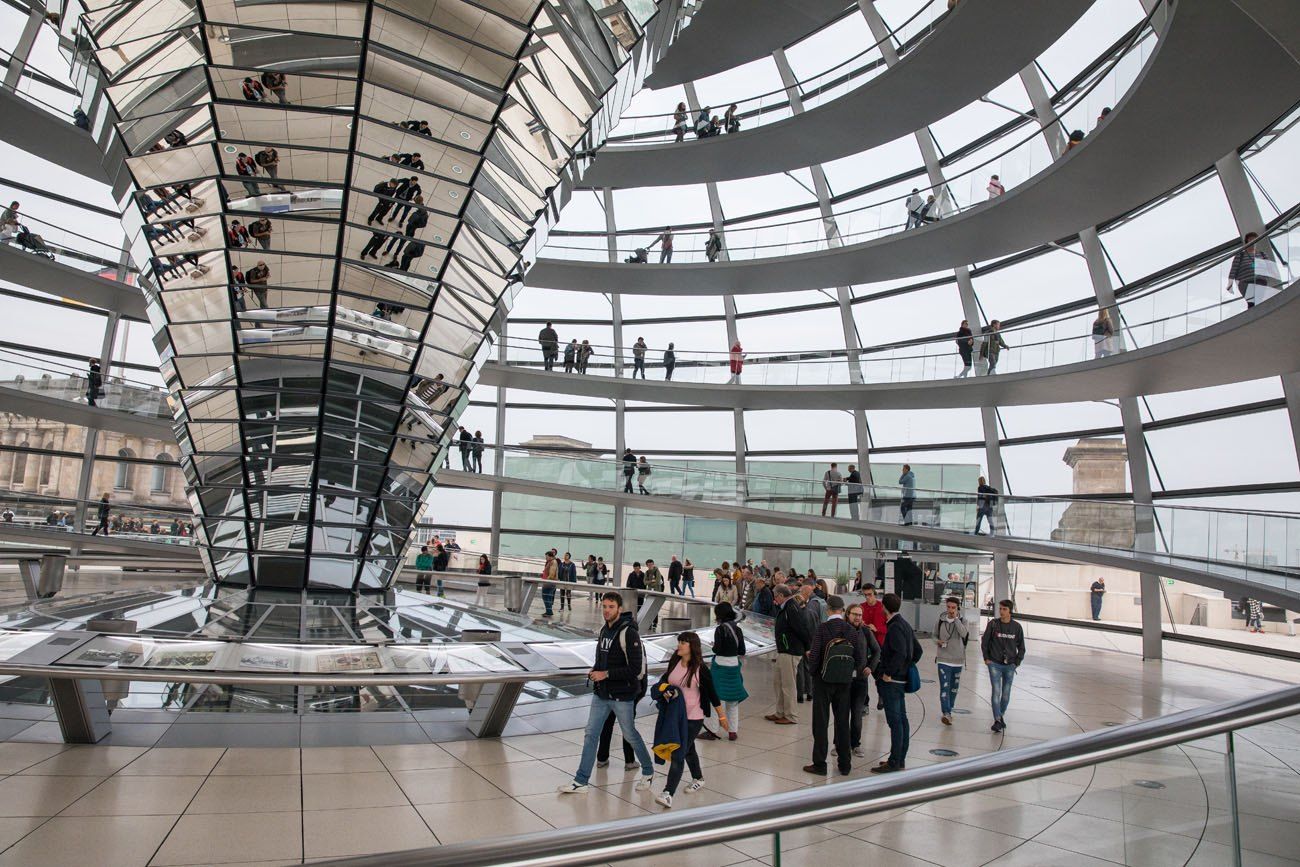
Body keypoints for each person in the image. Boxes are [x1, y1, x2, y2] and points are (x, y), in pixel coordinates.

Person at [559, 592, 656, 794]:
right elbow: (602, 658)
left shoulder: (629, 633)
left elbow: (635, 668)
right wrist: (596, 670)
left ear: (620, 609)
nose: (606, 610)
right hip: (602, 694)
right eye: (604, 606)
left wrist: (606, 674)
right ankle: (581, 781)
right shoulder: (605, 630)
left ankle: (648, 771)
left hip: (622, 695)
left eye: (611, 607)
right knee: (590, 734)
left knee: (630, 735)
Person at [653, 631, 728, 808]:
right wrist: (665, 690)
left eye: (684, 643)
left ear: (692, 646)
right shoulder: (675, 661)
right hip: (675, 716)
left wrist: (722, 716)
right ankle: (698, 778)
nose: (679, 645)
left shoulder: (700, 669)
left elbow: (712, 693)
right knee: (688, 749)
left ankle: (668, 793)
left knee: (678, 753)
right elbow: (665, 680)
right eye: (679, 641)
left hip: (693, 718)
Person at [802, 595, 868, 776]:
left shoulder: (822, 629)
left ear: (827, 609)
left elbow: (814, 655)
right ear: (843, 610)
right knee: (842, 723)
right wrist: (849, 672)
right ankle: (845, 765)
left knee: (820, 723)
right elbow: (860, 658)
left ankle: (820, 764)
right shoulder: (851, 630)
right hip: (845, 683)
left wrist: (813, 673)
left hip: (823, 682)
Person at [872, 592, 921, 773]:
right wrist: (907, 666)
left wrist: (889, 673)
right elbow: (918, 651)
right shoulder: (905, 625)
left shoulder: (894, 627)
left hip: (893, 681)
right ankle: (899, 759)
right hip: (900, 679)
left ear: (884, 607)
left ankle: (894, 761)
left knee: (895, 722)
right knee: (902, 719)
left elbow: (900, 653)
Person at [699, 603, 747, 743]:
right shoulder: (737, 629)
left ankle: (712, 730)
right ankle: (733, 731)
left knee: (715, 699)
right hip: (733, 665)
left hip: (720, 666)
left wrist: (714, 645)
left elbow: (717, 650)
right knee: (732, 700)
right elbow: (742, 650)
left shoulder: (720, 629)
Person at [982, 599, 1025, 733]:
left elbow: (1022, 647)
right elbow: (985, 642)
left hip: (1009, 665)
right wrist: (987, 659)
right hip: (994, 663)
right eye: (1000, 609)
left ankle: (1000, 715)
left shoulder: (1017, 627)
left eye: (1004, 609)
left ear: (1010, 611)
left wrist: (1016, 662)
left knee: (1005, 694)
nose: (1001, 611)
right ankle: (997, 719)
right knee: (996, 691)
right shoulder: (993, 624)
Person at [845, 603, 881, 757]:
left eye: (860, 615)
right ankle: (840, 742)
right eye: (855, 614)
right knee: (842, 713)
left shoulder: (865, 631)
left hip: (860, 679)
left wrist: (871, 667)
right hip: (843, 679)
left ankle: (856, 744)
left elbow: (877, 650)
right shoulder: (842, 629)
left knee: (857, 713)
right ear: (848, 614)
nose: (858, 617)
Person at [769, 585, 808, 725]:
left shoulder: (791, 608)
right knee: (778, 683)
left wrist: (807, 648)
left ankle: (791, 715)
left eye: (775, 596)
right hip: (783, 651)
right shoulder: (786, 607)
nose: (774, 599)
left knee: (788, 684)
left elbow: (802, 629)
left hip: (790, 651)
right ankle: (780, 712)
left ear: (780, 595)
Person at [934, 596, 969, 725]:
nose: (950, 610)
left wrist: (956, 620)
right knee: (944, 686)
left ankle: (949, 708)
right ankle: (946, 713)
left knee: (953, 689)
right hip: (943, 659)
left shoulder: (963, 620)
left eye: (953, 607)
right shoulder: (940, 620)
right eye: (948, 607)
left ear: (957, 608)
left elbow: (964, 634)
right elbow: (934, 635)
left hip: (958, 659)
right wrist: (937, 641)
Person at [1226, 232, 1274, 308]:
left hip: (1260, 280)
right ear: (1247, 241)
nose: (1253, 241)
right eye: (1251, 239)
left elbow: (1270, 268)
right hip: (1245, 282)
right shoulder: (1240, 255)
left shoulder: (1262, 254)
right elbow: (1234, 269)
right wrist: (1230, 284)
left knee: (1257, 301)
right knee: (1252, 302)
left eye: (1255, 239)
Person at [860, 586, 888, 710]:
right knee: (863, 676)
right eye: (865, 595)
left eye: (869, 594)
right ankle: (864, 703)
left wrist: (877, 629)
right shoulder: (861, 607)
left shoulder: (882, 608)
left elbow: (889, 626)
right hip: (864, 646)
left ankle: (881, 695)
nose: (867, 597)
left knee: (878, 674)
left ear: (875, 594)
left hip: (878, 646)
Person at [540, 550, 559, 616]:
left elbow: (552, 574)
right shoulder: (551, 561)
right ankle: (549, 611)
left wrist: (546, 580)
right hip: (548, 582)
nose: (546, 558)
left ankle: (549, 612)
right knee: (548, 597)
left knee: (545, 596)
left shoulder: (553, 562)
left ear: (551, 556)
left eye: (547, 557)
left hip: (549, 583)